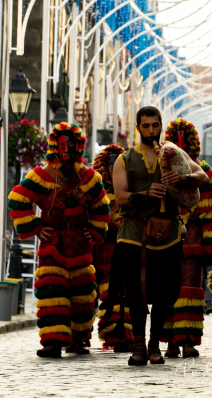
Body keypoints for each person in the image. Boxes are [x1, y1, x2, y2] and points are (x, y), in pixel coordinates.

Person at [111, 107, 209, 366]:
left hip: (169, 233)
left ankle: (155, 344)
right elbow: (119, 196)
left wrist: (183, 177)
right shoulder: (125, 159)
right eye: (146, 126)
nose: (151, 131)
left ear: (161, 126)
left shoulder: (172, 152)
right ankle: (139, 346)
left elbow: (203, 176)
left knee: (167, 290)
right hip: (134, 233)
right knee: (136, 292)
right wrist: (144, 194)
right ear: (138, 127)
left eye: (155, 125)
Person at [8, 122, 111, 358]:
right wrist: (35, 226)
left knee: (83, 294)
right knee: (52, 290)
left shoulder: (89, 177)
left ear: (79, 146)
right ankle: (52, 341)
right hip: (52, 242)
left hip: (79, 243)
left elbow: (101, 207)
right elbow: (17, 200)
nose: (67, 149)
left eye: (71, 145)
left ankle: (79, 339)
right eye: (63, 145)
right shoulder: (41, 175)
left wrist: (94, 231)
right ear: (56, 146)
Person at [160, 118, 212, 359]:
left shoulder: (206, 173)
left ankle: (187, 340)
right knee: (167, 290)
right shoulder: (162, 172)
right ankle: (169, 341)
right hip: (167, 239)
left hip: (194, 242)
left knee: (190, 289)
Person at [92, 144, 134, 353]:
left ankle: (120, 334)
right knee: (90, 292)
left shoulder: (129, 187)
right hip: (99, 246)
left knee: (121, 291)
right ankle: (78, 335)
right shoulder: (94, 187)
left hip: (123, 245)